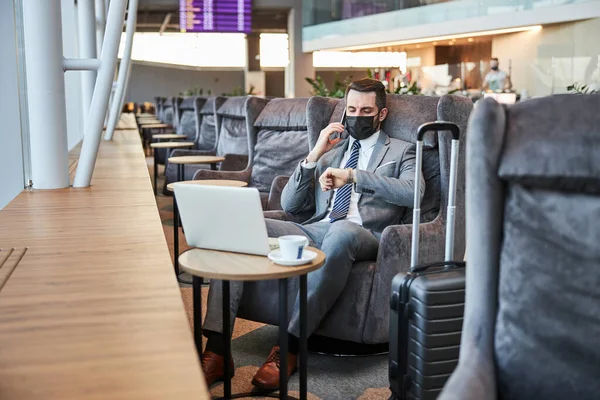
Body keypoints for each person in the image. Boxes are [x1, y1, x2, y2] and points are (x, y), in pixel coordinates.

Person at [199, 78, 425, 390]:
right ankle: (218, 348)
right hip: (317, 228)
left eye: (366, 110)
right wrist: (315, 155)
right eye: (352, 109)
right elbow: (290, 204)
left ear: (381, 114)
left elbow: (414, 192)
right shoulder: (332, 150)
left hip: (366, 234)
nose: (358, 115)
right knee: (241, 224)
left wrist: (354, 176)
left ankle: (289, 346)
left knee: (343, 232)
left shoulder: (402, 151)